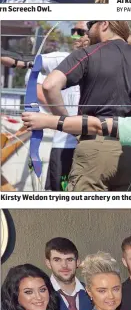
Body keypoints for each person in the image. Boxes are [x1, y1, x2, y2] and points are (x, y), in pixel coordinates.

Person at [34, 20, 131, 191]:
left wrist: (67, 123)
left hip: (94, 146)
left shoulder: (88, 53)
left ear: (104, 24)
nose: (88, 30)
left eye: (91, 24)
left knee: (83, 214)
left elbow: (50, 85)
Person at [35, 28, 89, 190]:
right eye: (73, 31)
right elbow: (32, 66)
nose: (74, 36)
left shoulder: (107, 58)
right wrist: (62, 118)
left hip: (92, 146)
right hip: (64, 146)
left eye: (81, 32)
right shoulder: (64, 58)